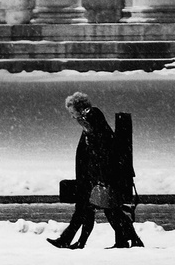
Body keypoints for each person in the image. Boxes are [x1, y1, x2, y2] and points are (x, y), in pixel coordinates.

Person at [48, 91, 144, 250]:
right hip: (95, 176)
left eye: (73, 112)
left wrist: (100, 177)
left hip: (102, 177)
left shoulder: (92, 116)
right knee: (96, 210)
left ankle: (130, 240)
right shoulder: (90, 126)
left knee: (109, 211)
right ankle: (74, 241)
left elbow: (100, 146)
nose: (73, 117)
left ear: (79, 108)